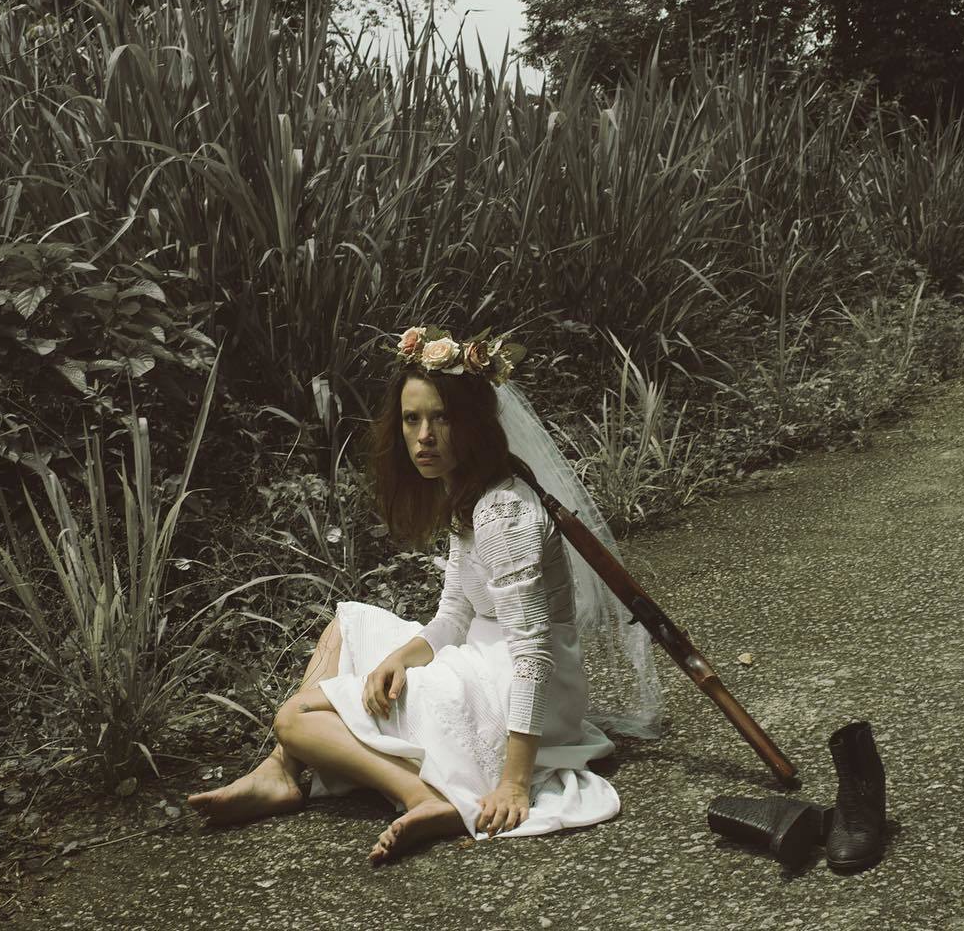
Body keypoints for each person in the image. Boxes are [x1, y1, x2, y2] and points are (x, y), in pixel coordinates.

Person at [188, 325, 662, 862]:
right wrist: (402, 657)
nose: (424, 436)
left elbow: (533, 653)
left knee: (295, 718)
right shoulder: (472, 494)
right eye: (412, 419)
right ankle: (279, 769)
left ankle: (422, 796)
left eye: (442, 418)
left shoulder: (502, 513)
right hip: (484, 655)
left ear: (473, 424)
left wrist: (514, 781)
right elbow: (455, 612)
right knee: (348, 624)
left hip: (515, 685)